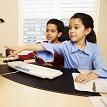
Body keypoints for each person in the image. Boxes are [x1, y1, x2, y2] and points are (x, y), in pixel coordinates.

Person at [5, 13, 107, 83]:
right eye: (70, 27)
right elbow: (44, 46)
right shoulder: (66, 45)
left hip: (87, 82)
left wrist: (89, 76)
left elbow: (102, 69)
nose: (71, 30)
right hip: (67, 82)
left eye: (76, 27)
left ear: (87, 31)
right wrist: (22, 47)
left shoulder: (95, 48)